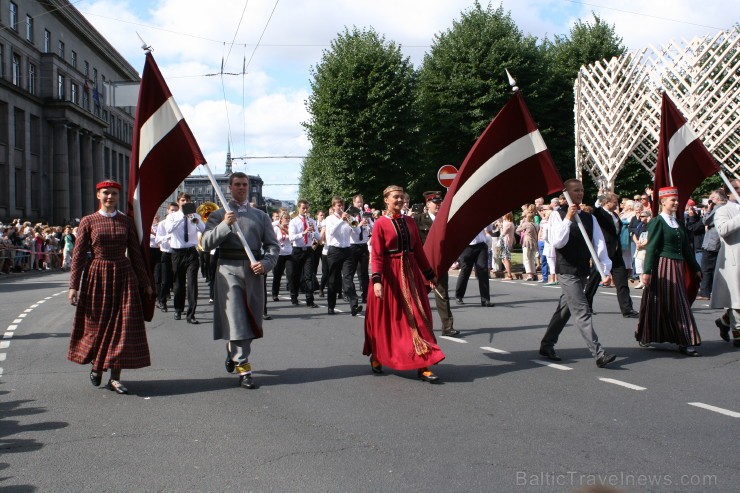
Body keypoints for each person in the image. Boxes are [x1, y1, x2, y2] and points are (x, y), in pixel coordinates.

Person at [67, 180, 153, 394]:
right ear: (98, 195)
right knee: (98, 326)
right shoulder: (88, 221)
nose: (110, 197)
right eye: (106, 193)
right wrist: (73, 286)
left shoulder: (126, 222)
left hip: (124, 277)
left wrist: (145, 283)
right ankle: (97, 366)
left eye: (114, 194)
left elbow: (135, 254)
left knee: (122, 328)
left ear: (118, 197)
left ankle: (115, 377)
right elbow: (77, 256)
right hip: (97, 276)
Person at [202, 172, 279, 389]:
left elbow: (273, 246)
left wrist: (265, 263)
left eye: (245, 184)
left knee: (252, 320)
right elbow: (206, 243)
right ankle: (243, 367)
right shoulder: (219, 215)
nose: (242, 188)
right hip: (228, 270)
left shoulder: (261, 216)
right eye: (237, 184)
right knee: (236, 319)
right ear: (229, 187)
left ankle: (232, 350)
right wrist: (225, 225)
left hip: (253, 271)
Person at [363, 185, 445, 383]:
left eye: (401, 197)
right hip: (389, 275)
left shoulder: (409, 221)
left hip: (410, 275)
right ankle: (378, 355)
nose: (399, 200)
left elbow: (418, 250)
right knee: (388, 320)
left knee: (418, 317)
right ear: (386, 200)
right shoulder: (380, 224)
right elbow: (377, 255)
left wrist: (429, 274)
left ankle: (423, 364)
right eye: (395, 197)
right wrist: (377, 281)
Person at [539, 179, 617, 368]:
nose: (580, 193)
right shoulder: (558, 215)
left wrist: (605, 269)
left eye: (581, 190)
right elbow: (557, 242)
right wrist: (568, 219)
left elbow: (599, 244)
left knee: (565, 309)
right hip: (566, 270)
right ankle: (599, 353)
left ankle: (546, 344)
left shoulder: (590, 218)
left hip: (582, 269)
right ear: (566, 192)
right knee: (582, 310)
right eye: (575, 190)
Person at [636, 187, 702, 356]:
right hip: (663, 266)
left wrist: (695, 268)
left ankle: (675, 338)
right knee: (661, 302)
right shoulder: (658, 221)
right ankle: (683, 339)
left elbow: (686, 249)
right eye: (673, 200)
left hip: (678, 266)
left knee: (671, 302)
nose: (676, 203)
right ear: (663, 202)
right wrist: (647, 271)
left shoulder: (678, 223)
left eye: (677, 200)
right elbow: (652, 247)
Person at [413, 191, 459, 336]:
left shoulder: (445, 220)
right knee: (418, 296)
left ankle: (447, 327)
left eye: (440, 202)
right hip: (422, 264)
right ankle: (413, 325)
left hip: (439, 263)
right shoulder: (418, 220)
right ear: (428, 204)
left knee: (442, 295)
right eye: (435, 203)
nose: (439, 205)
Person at [587, 192, 639, 318]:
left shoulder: (615, 214)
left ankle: (627, 309)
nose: (617, 205)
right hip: (603, 251)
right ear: (607, 203)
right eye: (614, 202)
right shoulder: (599, 213)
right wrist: (600, 196)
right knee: (594, 279)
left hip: (616, 252)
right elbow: (595, 210)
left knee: (622, 281)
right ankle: (586, 305)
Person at [165, 192, 205, 324]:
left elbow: (204, 229)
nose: (185, 202)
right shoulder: (172, 216)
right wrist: (182, 217)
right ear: (178, 202)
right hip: (177, 253)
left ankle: (191, 314)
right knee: (178, 283)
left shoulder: (195, 215)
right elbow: (169, 230)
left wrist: (196, 219)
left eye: (188, 200)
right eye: (183, 200)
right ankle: (178, 308)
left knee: (192, 283)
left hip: (191, 253)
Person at [710, 183, 740, 348]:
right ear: (730, 192)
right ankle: (738, 333)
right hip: (734, 258)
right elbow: (722, 229)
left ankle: (723, 321)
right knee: (737, 299)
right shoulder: (723, 210)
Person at [324, 196, 362, 316]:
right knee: (333, 279)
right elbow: (331, 232)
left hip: (347, 250)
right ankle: (331, 306)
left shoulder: (349, 218)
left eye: (342, 205)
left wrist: (351, 222)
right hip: (334, 251)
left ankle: (354, 305)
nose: (341, 207)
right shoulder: (329, 219)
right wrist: (341, 220)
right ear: (334, 206)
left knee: (348, 278)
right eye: (338, 205)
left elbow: (358, 232)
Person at [288, 199, 319, 308]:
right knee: (295, 276)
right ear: (298, 208)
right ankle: (294, 296)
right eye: (303, 208)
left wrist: (313, 232)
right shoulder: (294, 221)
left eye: (307, 208)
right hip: (297, 251)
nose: (305, 210)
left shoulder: (312, 221)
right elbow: (291, 237)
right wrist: (303, 233)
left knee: (309, 276)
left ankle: (310, 300)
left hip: (308, 250)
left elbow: (318, 237)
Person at [697, 189, 727, 300]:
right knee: (715, 269)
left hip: (712, 242)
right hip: (718, 242)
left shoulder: (718, 208)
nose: (710, 200)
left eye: (712, 197)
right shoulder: (727, 207)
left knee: (706, 268)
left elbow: (706, 221)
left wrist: (708, 210)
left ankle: (705, 292)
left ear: (718, 199)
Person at [455, 228, 494, 306]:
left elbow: (489, 228)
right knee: (465, 271)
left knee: (483, 271)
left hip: (481, 245)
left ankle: (485, 300)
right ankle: (459, 296)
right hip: (467, 245)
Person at [348, 194, 372, 304]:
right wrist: (360, 224)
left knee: (364, 272)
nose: (359, 204)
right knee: (351, 272)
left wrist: (369, 224)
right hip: (353, 246)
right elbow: (353, 228)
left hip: (363, 245)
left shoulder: (366, 215)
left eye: (361, 202)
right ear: (354, 203)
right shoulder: (351, 216)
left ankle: (365, 295)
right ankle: (350, 293)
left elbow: (374, 227)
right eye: (357, 202)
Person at [155, 202, 178, 312]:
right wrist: (168, 236)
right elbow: (157, 239)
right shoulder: (162, 224)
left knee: (176, 280)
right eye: (172, 210)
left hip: (177, 254)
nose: (173, 212)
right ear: (168, 211)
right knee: (164, 280)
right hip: (166, 253)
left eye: (176, 210)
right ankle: (162, 301)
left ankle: (178, 304)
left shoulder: (180, 223)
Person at [272, 211, 294, 301]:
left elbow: (292, 237)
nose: (287, 220)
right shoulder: (276, 228)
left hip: (289, 253)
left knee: (291, 275)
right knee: (277, 275)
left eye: (289, 218)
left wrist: (285, 228)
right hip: (279, 254)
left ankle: (293, 295)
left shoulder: (290, 228)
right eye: (286, 218)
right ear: (281, 219)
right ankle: (275, 293)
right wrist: (279, 225)